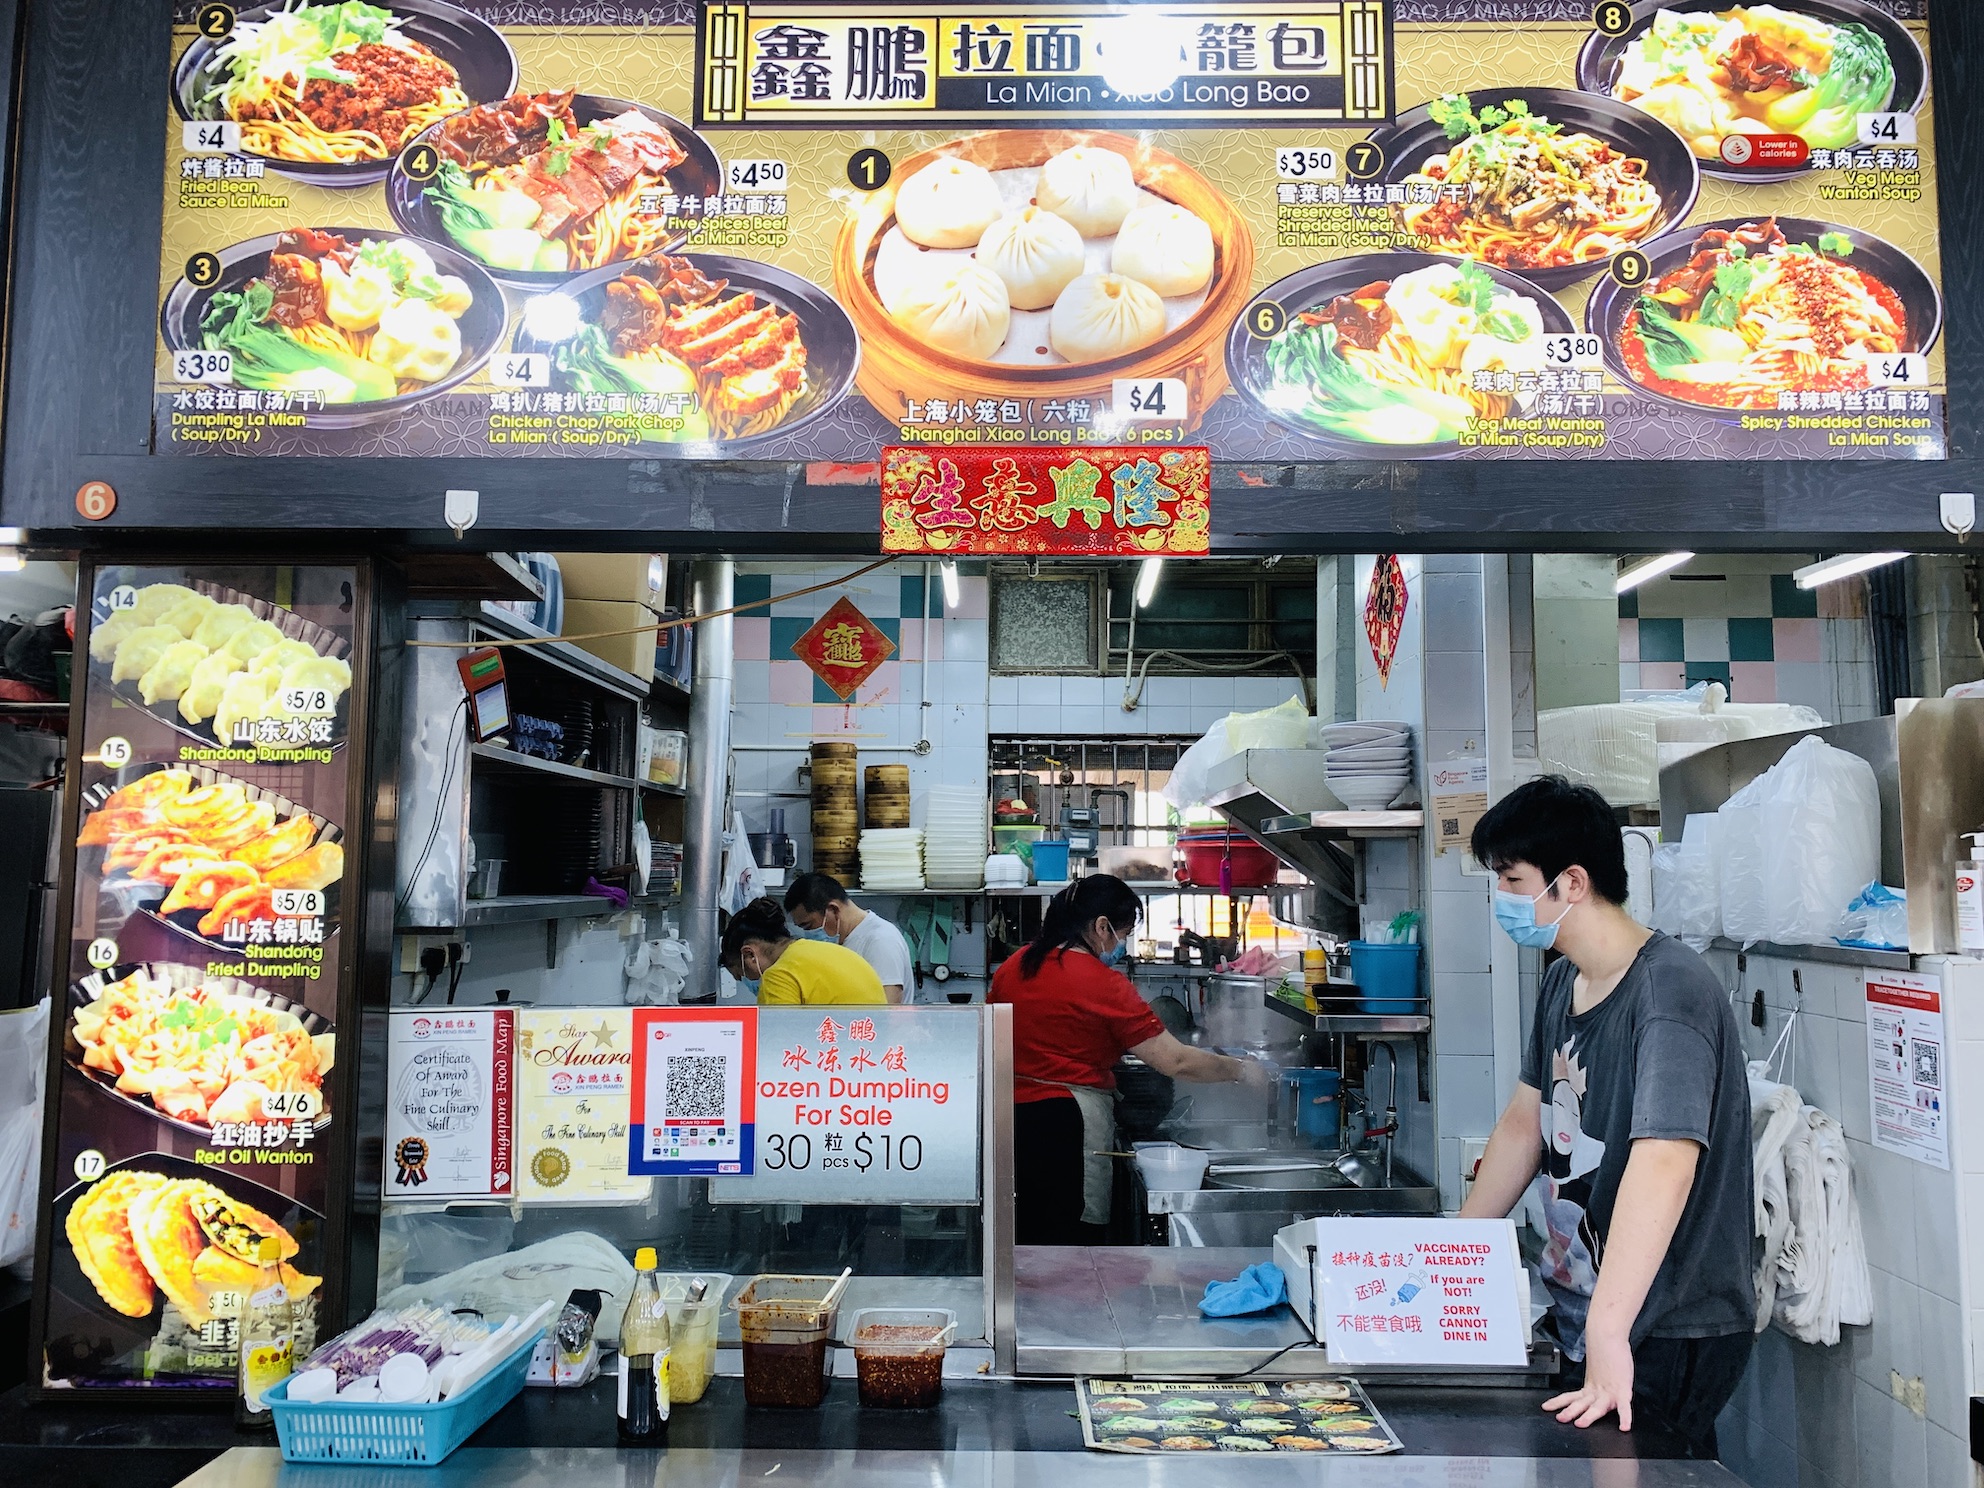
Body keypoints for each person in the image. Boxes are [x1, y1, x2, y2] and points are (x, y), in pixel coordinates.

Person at [1460, 777, 1755, 1459]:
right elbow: (1521, 1126)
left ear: (1571, 882)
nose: (1501, 899)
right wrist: (1456, 1253)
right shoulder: (1565, 979)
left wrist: (1609, 1331)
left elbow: (1665, 1162)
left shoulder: (1668, 993)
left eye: (1510, 879)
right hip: (1597, 1310)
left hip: (1665, 1325)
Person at [988, 875, 1274, 1245]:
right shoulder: (1101, 983)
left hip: (1007, 1122)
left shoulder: (1016, 965)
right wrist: (1241, 1070)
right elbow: (1175, 1062)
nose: (1122, 945)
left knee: (1021, 1242)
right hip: (1067, 1126)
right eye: (1123, 933)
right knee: (1071, 1245)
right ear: (1101, 926)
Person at [720, 897, 886, 1005]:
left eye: (742, 974)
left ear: (749, 955)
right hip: (870, 1052)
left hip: (838, 1053)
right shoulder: (834, 951)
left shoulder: (777, 976)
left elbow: (778, 1045)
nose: (748, 981)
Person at [784, 873, 914, 1004]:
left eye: (809, 926)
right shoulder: (839, 941)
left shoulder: (880, 940)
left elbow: (887, 1012)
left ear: (833, 909)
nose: (809, 933)